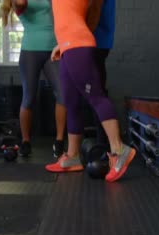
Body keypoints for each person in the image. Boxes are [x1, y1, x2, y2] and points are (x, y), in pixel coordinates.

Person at [45, 0, 135, 182]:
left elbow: (90, 12)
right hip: (67, 45)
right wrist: (62, 44)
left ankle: (119, 149)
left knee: (97, 97)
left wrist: (71, 40)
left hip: (78, 43)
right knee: (71, 102)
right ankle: (73, 156)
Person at [0, 0, 66, 158]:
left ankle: (59, 140)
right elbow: (20, 3)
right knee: (29, 97)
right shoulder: (18, 3)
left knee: (63, 94)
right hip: (30, 51)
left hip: (53, 49)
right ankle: (25, 141)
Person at [89, 0, 115, 145]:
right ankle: (103, 142)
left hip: (94, 42)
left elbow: (95, 8)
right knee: (97, 91)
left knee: (97, 93)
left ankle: (105, 143)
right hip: (99, 42)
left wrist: (84, 34)